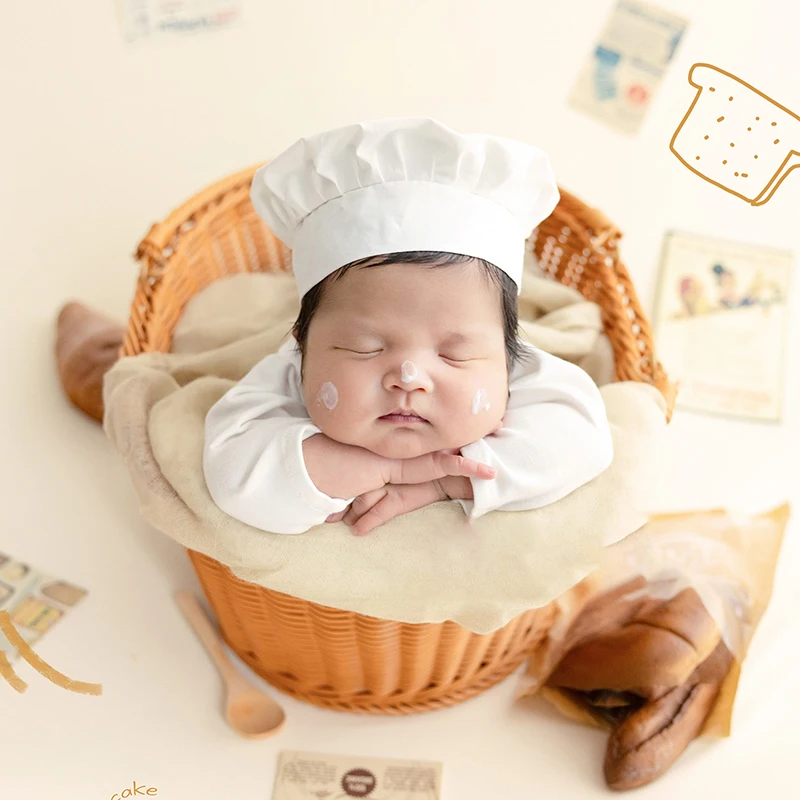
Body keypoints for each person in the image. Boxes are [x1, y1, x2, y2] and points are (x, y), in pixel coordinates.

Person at [203, 117, 614, 535]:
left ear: (507, 355)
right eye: (365, 347)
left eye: (455, 354)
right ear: (302, 347)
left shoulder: (516, 375)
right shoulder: (287, 377)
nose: (409, 378)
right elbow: (234, 474)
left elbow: (583, 442)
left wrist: (442, 480)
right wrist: (390, 469)